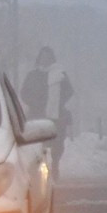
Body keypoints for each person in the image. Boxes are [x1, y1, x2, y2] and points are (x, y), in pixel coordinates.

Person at [19, 45, 75, 178]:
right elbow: (24, 92)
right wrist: (33, 102)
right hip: (36, 114)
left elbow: (69, 91)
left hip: (56, 115)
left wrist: (58, 102)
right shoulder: (32, 75)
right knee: (37, 143)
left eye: (47, 57)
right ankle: (37, 168)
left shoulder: (60, 74)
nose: (45, 60)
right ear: (39, 59)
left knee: (57, 143)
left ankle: (55, 165)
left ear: (52, 58)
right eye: (43, 57)